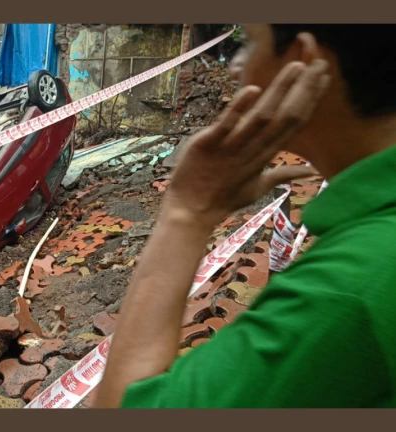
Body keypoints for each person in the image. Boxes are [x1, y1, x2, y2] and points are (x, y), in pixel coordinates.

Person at [95, 24, 396, 408]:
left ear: (304, 61)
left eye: (249, 43)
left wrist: (188, 211)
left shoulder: (346, 293)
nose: (235, 66)